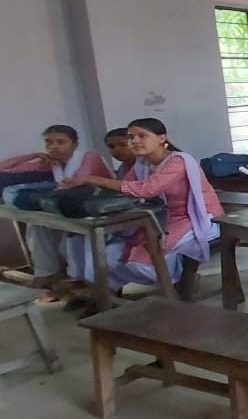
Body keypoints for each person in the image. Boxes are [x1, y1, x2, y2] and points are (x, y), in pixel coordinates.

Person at [66, 118, 222, 291]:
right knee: (109, 257)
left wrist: (92, 179)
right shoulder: (142, 163)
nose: (135, 141)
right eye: (131, 137)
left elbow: (146, 190)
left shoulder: (178, 162)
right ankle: (106, 295)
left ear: (162, 138)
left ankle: (174, 280)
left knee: (142, 262)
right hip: (163, 217)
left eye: (142, 136)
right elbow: (126, 187)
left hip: (193, 218)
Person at [4, 125, 113, 292]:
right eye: (49, 142)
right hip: (67, 208)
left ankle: (80, 280)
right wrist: (33, 156)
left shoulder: (90, 157)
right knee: (37, 227)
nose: (53, 147)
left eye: (60, 142)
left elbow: (75, 183)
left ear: (74, 144)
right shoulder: (50, 163)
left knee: (69, 236)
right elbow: (3, 169)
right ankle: (46, 273)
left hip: (98, 209)